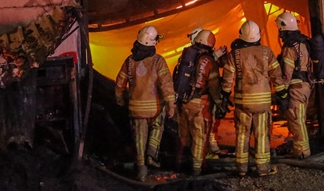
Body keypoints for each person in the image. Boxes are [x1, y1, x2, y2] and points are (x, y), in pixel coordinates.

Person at [220, 20, 287, 176]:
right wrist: (282, 94)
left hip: (243, 102)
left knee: (242, 134)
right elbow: (276, 76)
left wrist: (224, 96)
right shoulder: (266, 52)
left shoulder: (234, 55)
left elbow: (227, 80)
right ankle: (262, 168)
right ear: (258, 36)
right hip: (262, 103)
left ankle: (241, 169)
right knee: (262, 134)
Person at [115, 25, 175, 182]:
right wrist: (171, 104)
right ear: (153, 43)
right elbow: (166, 84)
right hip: (155, 108)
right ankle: (151, 154)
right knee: (157, 126)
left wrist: (119, 98)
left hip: (136, 108)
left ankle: (141, 171)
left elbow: (120, 82)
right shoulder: (158, 61)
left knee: (138, 138)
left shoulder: (129, 62)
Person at [173, 29, 223, 176]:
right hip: (200, 104)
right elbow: (214, 86)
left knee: (184, 135)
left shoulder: (185, 56)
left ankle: (180, 164)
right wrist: (220, 103)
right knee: (200, 137)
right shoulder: (209, 61)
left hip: (183, 102)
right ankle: (196, 169)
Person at [276, 12, 312, 159]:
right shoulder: (303, 42)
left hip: (296, 87)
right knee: (300, 119)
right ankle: (300, 148)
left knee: (296, 119)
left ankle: (303, 152)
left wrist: (281, 91)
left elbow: (287, 74)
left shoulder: (290, 48)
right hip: (305, 86)